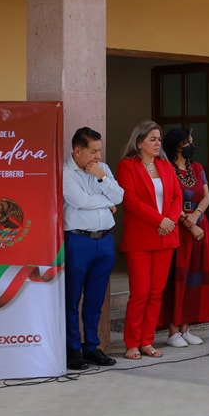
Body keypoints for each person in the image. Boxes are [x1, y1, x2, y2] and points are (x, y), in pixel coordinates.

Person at [116, 120, 182, 360]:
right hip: (141, 239)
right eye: (153, 139)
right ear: (139, 142)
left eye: (159, 139)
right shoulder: (127, 166)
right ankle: (132, 342)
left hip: (166, 236)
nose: (158, 143)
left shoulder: (165, 166)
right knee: (140, 293)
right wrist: (159, 220)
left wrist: (170, 221)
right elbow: (131, 201)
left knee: (156, 293)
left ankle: (146, 341)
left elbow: (177, 195)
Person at [63, 126, 124, 370]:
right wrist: (106, 202)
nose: (98, 156)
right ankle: (72, 349)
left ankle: (92, 347)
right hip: (79, 241)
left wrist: (102, 177)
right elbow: (80, 201)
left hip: (105, 241)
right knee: (72, 297)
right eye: (93, 151)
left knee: (95, 299)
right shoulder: (66, 172)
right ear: (78, 151)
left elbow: (119, 196)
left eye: (100, 150)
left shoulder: (102, 170)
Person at [159, 128, 209, 348]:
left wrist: (196, 217)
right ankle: (173, 329)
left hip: (199, 227)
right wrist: (188, 223)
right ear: (177, 145)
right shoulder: (166, 169)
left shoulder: (197, 168)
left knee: (195, 279)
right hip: (178, 229)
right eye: (188, 142)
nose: (191, 145)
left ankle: (186, 327)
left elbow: (205, 196)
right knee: (178, 278)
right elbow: (170, 201)